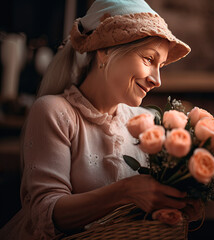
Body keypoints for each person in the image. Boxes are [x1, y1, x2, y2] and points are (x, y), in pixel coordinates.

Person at [0, 0, 202, 239]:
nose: (157, 80)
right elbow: (46, 214)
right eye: (149, 59)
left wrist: (178, 202)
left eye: (161, 65)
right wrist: (126, 191)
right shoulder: (55, 112)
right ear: (105, 50)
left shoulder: (147, 121)